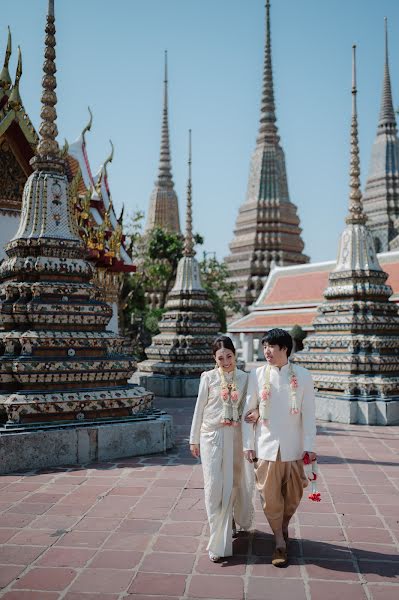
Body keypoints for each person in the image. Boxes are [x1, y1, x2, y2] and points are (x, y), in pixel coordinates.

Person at [242, 328, 316, 567]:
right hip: (266, 448)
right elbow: (247, 411)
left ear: (285, 348)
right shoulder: (257, 375)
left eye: (271, 347)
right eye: (264, 347)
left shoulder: (303, 376)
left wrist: (309, 446)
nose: (266, 351)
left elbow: (309, 415)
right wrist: (248, 445)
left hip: (294, 448)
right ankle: (279, 542)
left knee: (293, 496)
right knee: (270, 498)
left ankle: (282, 526)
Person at [190, 335, 254, 562]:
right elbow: (199, 408)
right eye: (220, 358)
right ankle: (217, 536)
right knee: (213, 485)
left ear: (235, 355)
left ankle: (229, 525)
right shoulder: (207, 378)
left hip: (235, 436)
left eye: (229, 356)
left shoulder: (246, 378)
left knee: (234, 482)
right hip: (210, 436)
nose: (226, 361)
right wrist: (193, 439)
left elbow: (250, 409)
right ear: (214, 359)